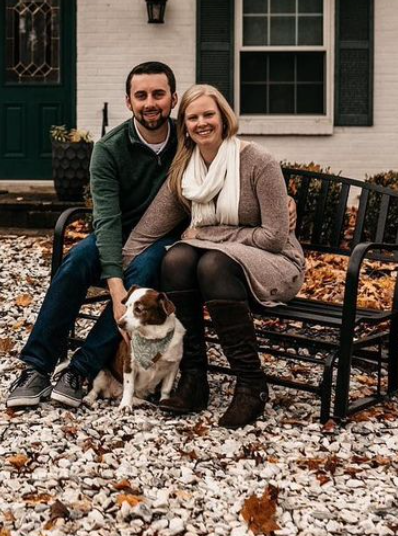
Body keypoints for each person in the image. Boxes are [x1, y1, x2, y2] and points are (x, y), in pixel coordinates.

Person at [122, 84, 306, 428]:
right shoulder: (186, 171)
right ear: (186, 126)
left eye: (209, 115)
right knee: (176, 258)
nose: (201, 123)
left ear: (223, 118)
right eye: (193, 117)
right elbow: (147, 230)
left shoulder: (258, 161)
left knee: (211, 261)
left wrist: (207, 235)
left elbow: (274, 237)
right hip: (225, 262)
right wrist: (118, 280)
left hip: (278, 263)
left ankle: (251, 385)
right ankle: (194, 380)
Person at [6, 62, 180, 409]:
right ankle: (37, 367)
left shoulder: (186, 140)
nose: (150, 103)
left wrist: (283, 196)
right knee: (76, 263)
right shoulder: (109, 149)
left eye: (158, 94)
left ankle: (81, 370)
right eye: (141, 95)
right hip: (116, 232)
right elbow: (107, 221)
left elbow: (233, 157)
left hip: (163, 238)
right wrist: (116, 288)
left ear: (173, 99)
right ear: (128, 102)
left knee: (145, 272)